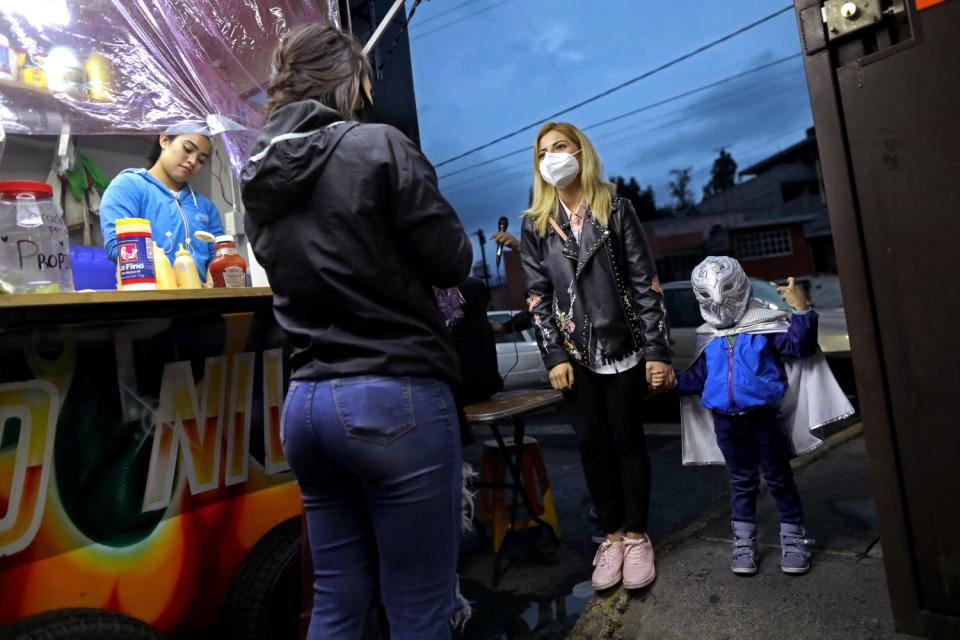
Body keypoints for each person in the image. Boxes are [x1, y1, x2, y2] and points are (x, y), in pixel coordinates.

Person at [240, 24, 473, 640]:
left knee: (337, 601)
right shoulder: (378, 147)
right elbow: (452, 260)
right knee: (419, 608)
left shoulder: (256, 180)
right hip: (392, 399)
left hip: (307, 406)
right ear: (349, 83)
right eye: (362, 84)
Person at [520, 121, 673, 592]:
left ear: (580, 153)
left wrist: (658, 351)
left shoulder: (616, 209)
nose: (552, 158)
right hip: (574, 355)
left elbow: (646, 284)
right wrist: (553, 357)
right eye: (543, 152)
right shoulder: (535, 224)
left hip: (623, 347)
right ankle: (610, 537)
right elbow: (536, 296)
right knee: (593, 446)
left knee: (628, 442)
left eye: (560, 147)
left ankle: (636, 537)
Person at [668, 257, 853, 576]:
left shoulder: (764, 325)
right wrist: (669, 380)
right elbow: (698, 379)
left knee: (780, 481)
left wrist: (802, 310)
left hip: (765, 420)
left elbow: (800, 345)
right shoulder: (707, 336)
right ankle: (743, 544)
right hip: (726, 423)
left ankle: (794, 542)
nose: (719, 301)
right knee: (741, 483)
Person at [99, 122, 224, 280]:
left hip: (200, 297)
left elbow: (219, 255)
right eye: (188, 149)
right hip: (147, 294)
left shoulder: (206, 207)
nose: (193, 161)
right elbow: (119, 246)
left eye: (201, 160)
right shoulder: (128, 186)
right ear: (164, 139)